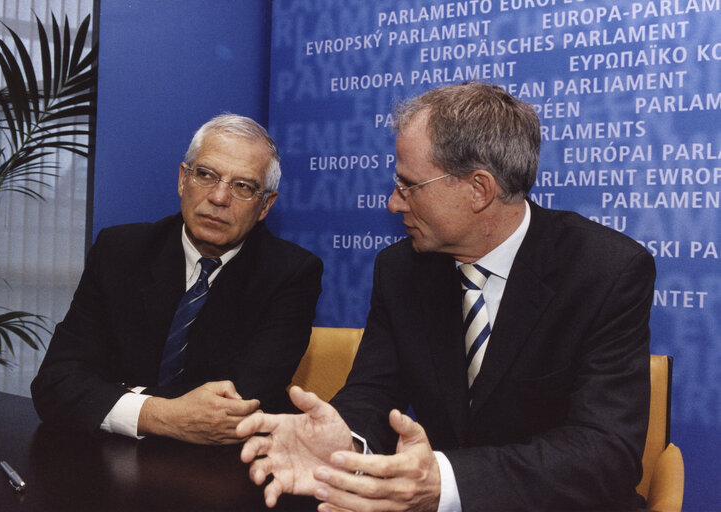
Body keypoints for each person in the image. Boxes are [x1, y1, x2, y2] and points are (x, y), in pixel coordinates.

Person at [237, 83, 655, 511]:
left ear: (479, 189)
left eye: (409, 185)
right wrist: (346, 440)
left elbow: (606, 455)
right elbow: (374, 392)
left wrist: (447, 482)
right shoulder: (401, 270)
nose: (392, 203)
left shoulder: (605, 271)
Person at [31, 114, 323, 445]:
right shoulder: (120, 251)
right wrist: (157, 414)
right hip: (110, 463)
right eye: (206, 175)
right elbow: (54, 382)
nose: (219, 198)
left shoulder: (290, 273)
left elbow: (238, 406)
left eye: (243, 186)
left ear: (265, 206)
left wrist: (120, 395)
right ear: (183, 179)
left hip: (221, 475)